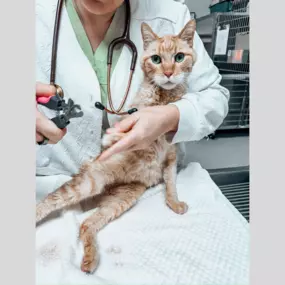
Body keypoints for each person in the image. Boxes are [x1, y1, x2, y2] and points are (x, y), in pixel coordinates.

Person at [36, 0, 230, 197]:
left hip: (144, 182)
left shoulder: (171, 16)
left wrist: (172, 116)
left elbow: (215, 96)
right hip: (50, 182)